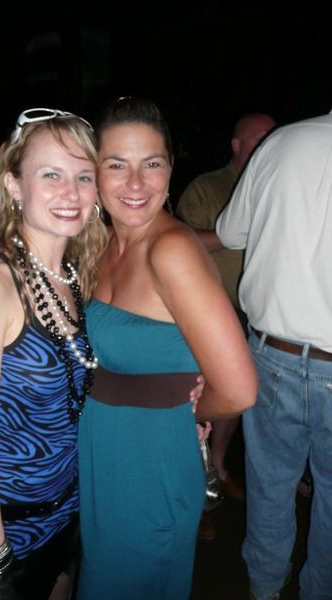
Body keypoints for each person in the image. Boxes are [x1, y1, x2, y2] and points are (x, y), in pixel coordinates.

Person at [76, 97, 258, 600]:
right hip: (104, 452)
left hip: (150, 465)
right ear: (94, 172)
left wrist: (190, 411)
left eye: (151, 164)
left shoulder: (171, 249)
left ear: (170, 169)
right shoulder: (101, 244)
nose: (136, 183)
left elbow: (239, 390)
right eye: (117, 165)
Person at [0, 108, 107, 599]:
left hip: (67, 514)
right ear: (14, 185)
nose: (71, 192)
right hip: (2, 529)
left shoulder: (78, 273)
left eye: (84, 176)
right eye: (51, 174)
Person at [215, 110, 332, 600]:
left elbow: (228, 234)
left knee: (269, 486)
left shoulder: (282, 143)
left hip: (273, 352)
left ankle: (263, 591)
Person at [175, 112, 276, 539]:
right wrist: (235, 234)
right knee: (196, 405)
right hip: (209, 314)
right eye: (260, 139)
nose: (269, 145)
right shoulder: (207, 187)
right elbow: (181, 240)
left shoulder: (275, 184)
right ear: (236, 145)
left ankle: (217, 469)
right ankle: (193, 493)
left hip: (258, 315)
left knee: (236, 402)